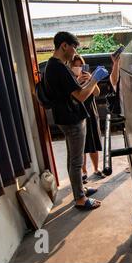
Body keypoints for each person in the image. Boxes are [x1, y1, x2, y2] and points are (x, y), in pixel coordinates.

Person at [45, 31, 109, 210]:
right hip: (71, 119)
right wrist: (95, 79)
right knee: (76, 161)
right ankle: (80, 199)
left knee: (73, 158)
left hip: (65, 117)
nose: (74, 52)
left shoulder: (54, 66)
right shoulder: (58, 67)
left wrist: (89, 82)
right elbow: (80, 96)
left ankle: (79, 189)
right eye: (73, 47)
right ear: (64, 45)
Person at [69, 55, 105, 183]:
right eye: (75, 65)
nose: (78, 68)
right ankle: (84, 171)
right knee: (81, 146)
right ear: (71, 66)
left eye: (80, 65)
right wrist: (77, 81)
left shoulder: (90, 77)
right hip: (79, 115)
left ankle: (96, 168)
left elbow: (97, 93)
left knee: (94, 143)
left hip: (91, 113)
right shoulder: (70, 79)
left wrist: (92, 80)